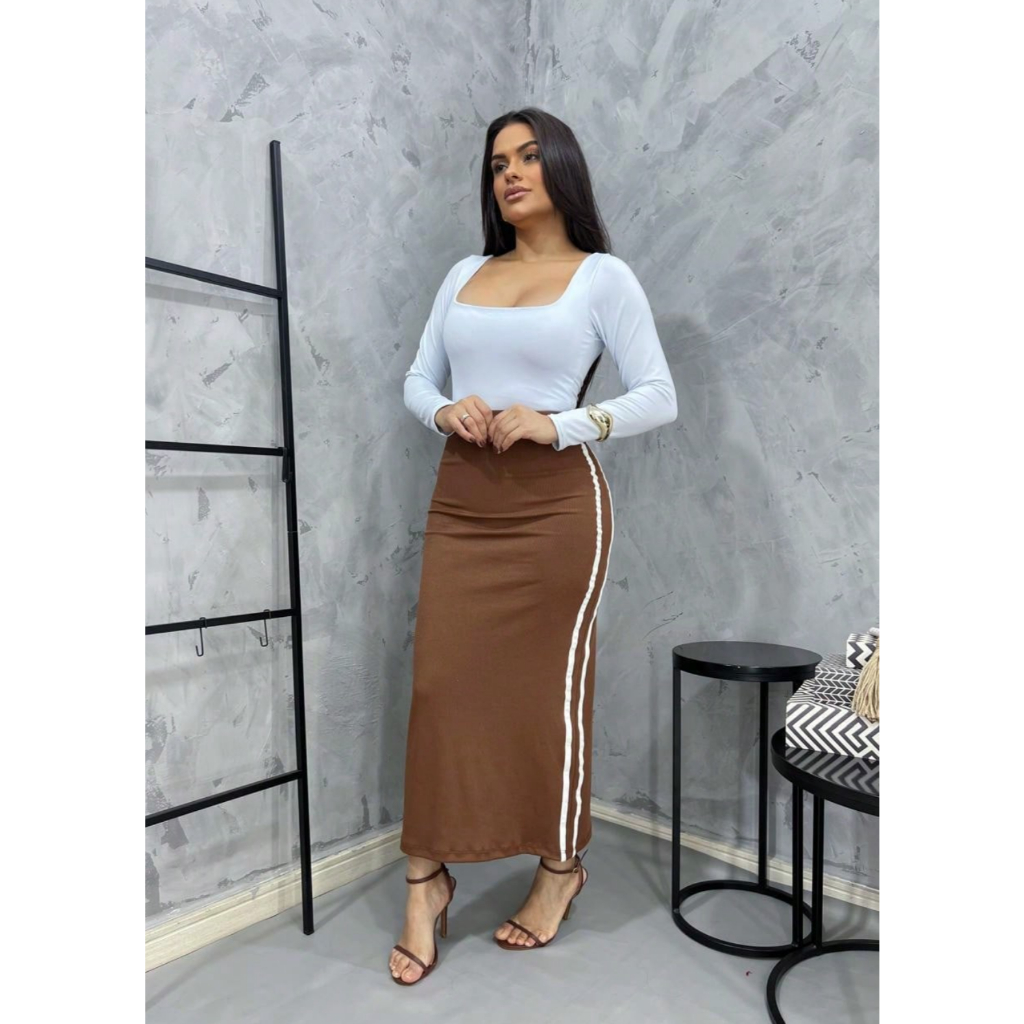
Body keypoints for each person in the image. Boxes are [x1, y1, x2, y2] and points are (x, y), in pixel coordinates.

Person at [390, 107, 678, 985]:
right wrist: (444, 409)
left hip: (557, 512)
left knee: (547, 695)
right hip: (463, 500)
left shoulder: (602, 277)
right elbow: (417, 378)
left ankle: (559, 867)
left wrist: (559, 423)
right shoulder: (465, 273)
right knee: (440, 689)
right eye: (496, 164)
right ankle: (426, 881)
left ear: (560, 165)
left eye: (525, 157)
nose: (509, 173)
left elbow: (657, 394)